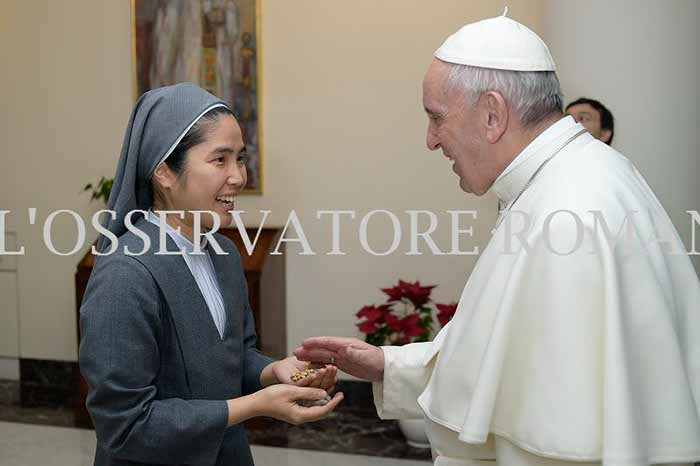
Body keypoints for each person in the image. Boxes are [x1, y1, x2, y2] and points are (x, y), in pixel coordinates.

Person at [294, 11, 700, 466]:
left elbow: (558, 438)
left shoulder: (571, 211)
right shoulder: (568, 181)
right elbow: (503, 357)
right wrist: (388, 365)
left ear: (492, 114)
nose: (430, 140)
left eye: (436, 118)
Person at [79, 83, 343, 466]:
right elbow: (125, 425)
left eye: (240, 158)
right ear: (164, 172)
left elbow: (233, 357)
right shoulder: (125, 274)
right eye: (220, 159)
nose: (238, 176)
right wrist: (254, 405)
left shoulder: (225, 255)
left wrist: (274, 371)